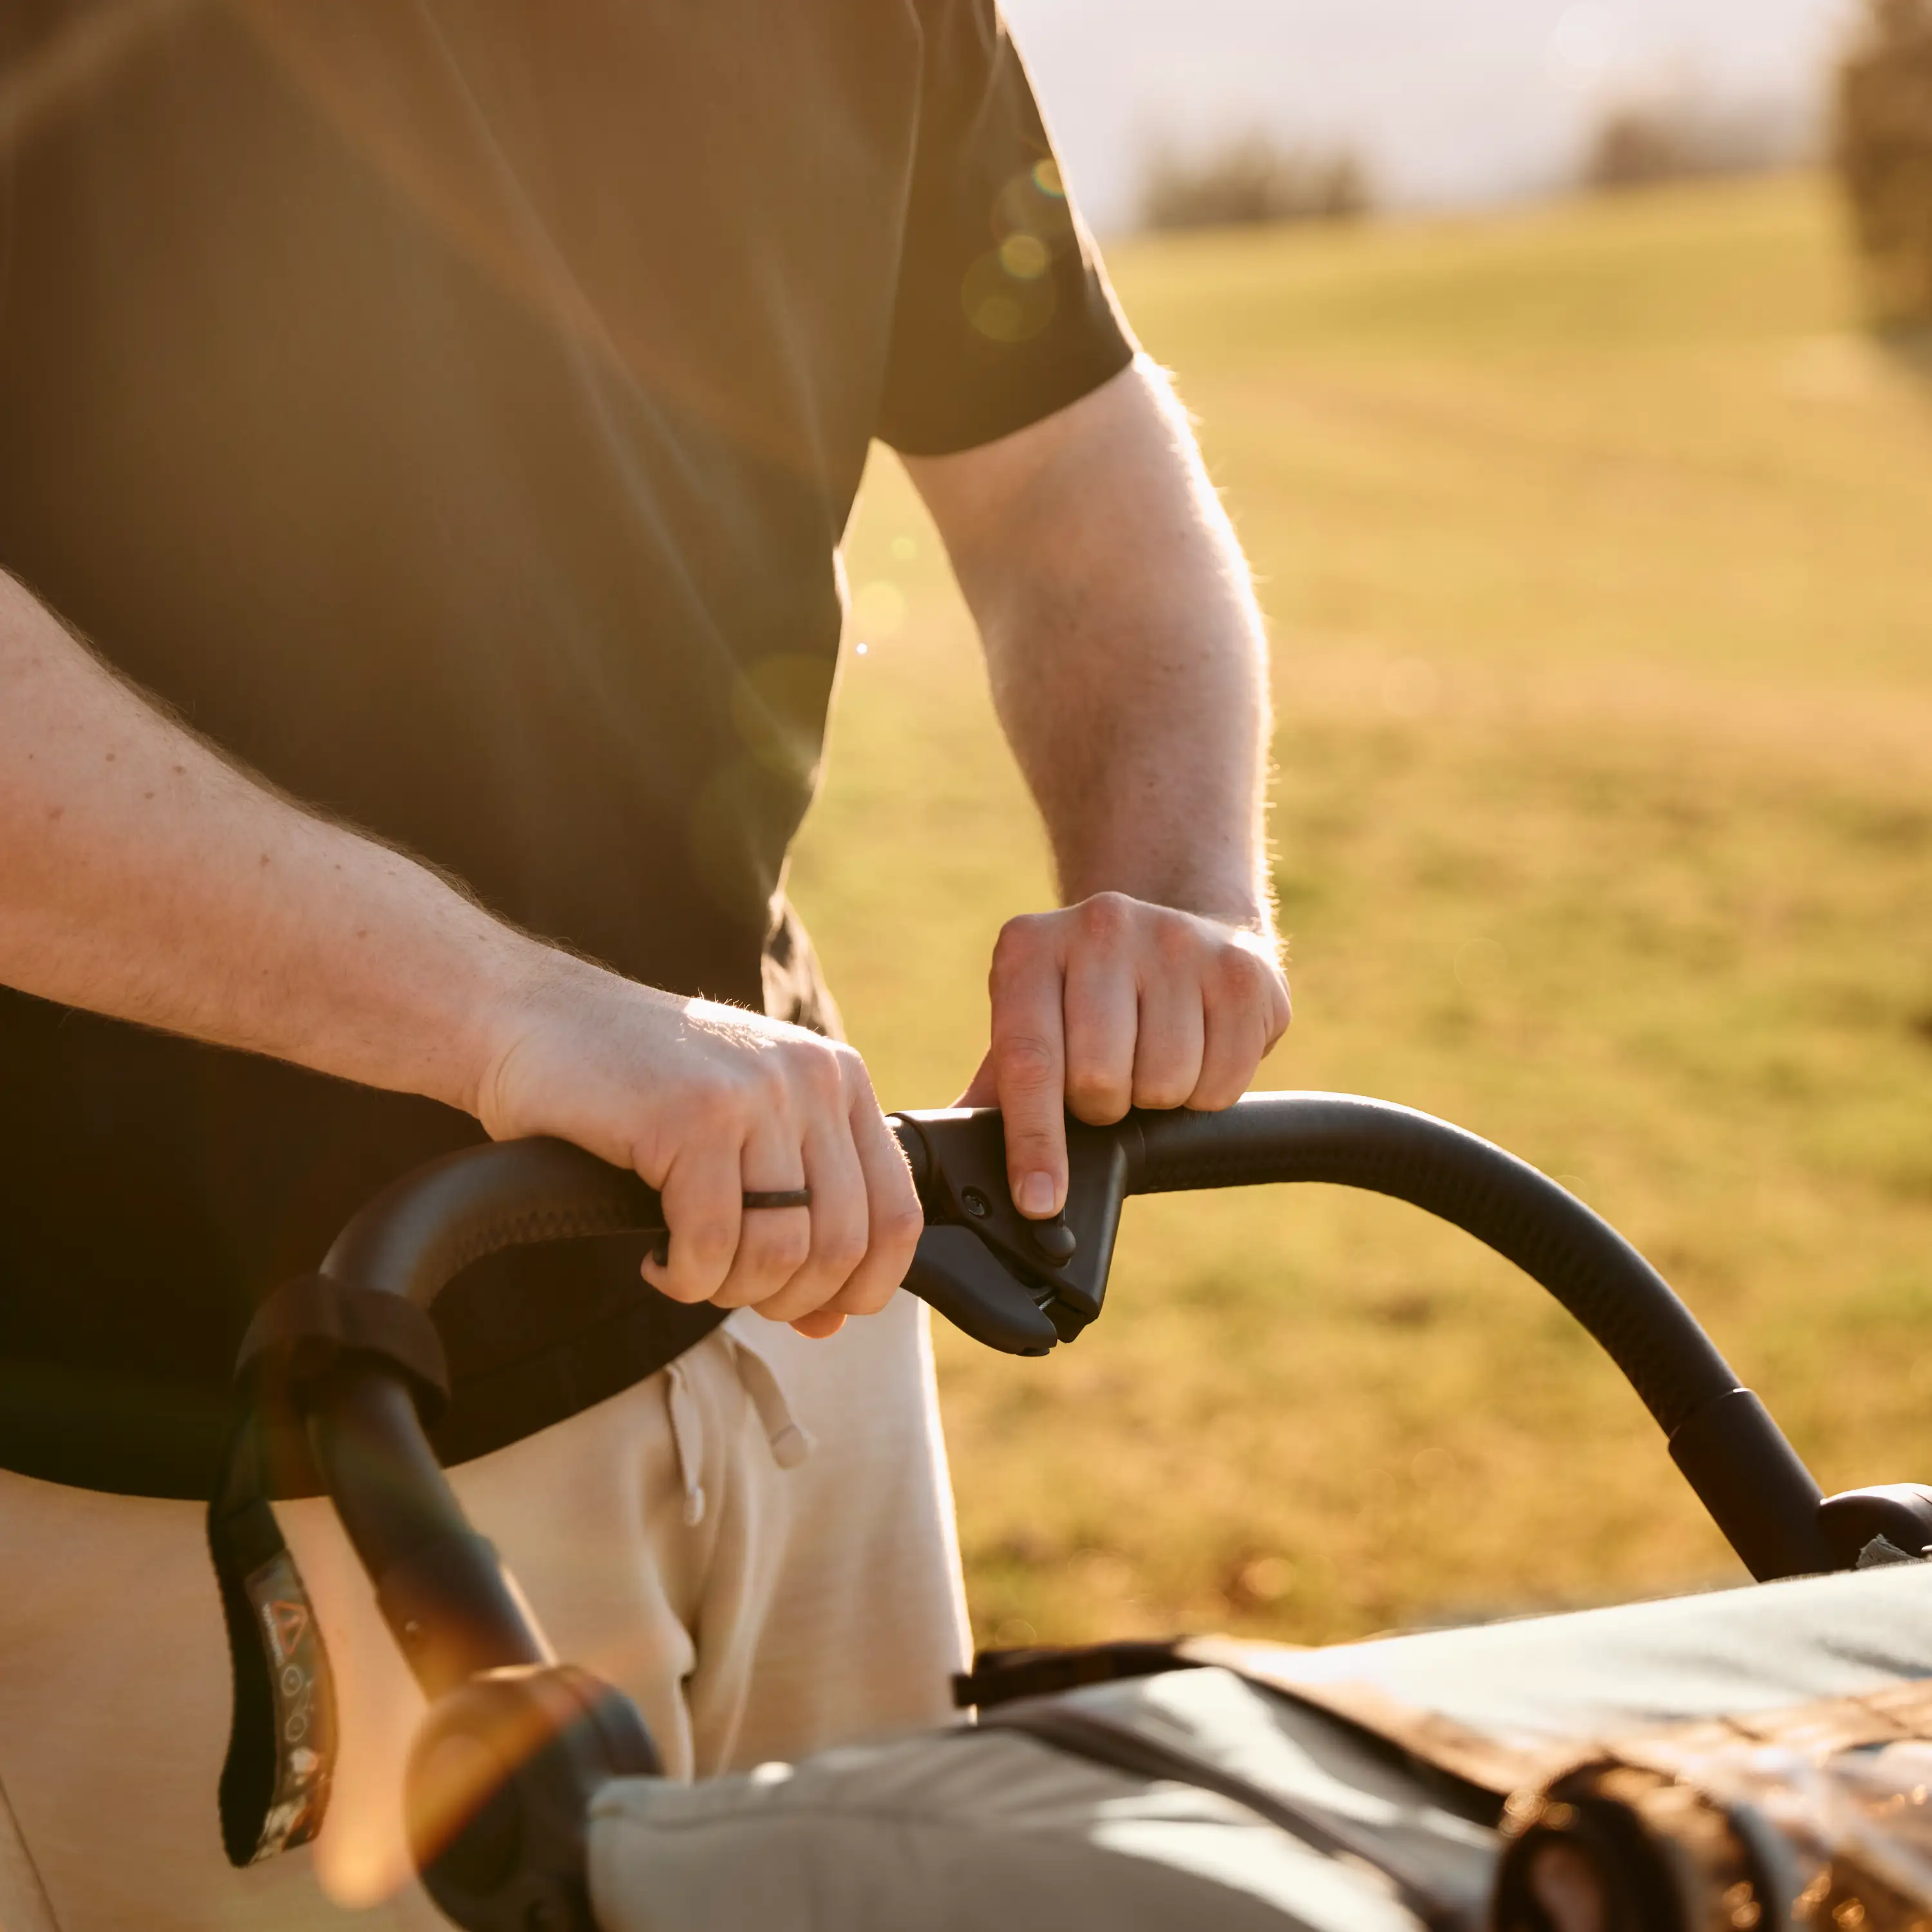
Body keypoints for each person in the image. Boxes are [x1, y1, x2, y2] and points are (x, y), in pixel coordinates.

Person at [0, 3, 1290, 1927]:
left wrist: (1174, 883)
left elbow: (1063, 482)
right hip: (222, 1452)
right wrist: (516, 1016)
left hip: (802, 1314)